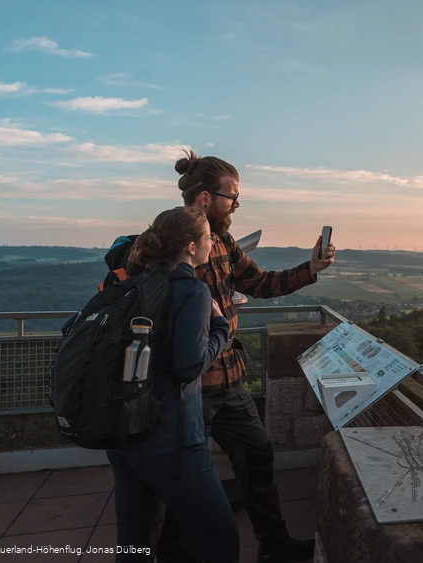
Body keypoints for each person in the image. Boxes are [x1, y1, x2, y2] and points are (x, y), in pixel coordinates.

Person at [125, 150, 336, 563]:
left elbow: (260, 283)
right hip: (186, 389)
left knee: (257, 455)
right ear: (205, 199)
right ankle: (171, 553)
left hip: (228, 379)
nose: (237, 205)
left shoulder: (221, 243)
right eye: (232, 197)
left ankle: (273, 547)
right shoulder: (162, 241)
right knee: (184, 480)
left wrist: (310, 268)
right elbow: (137, 290)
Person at [106, 206, 239, 563]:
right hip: (170, 437)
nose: (214, 240)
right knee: (220, 540)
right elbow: (189, 365)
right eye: (208, 236)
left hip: (123, 432)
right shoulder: (192, 291)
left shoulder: (134, 284)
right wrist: (220, 325)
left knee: (134, 541)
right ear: (192, 248)